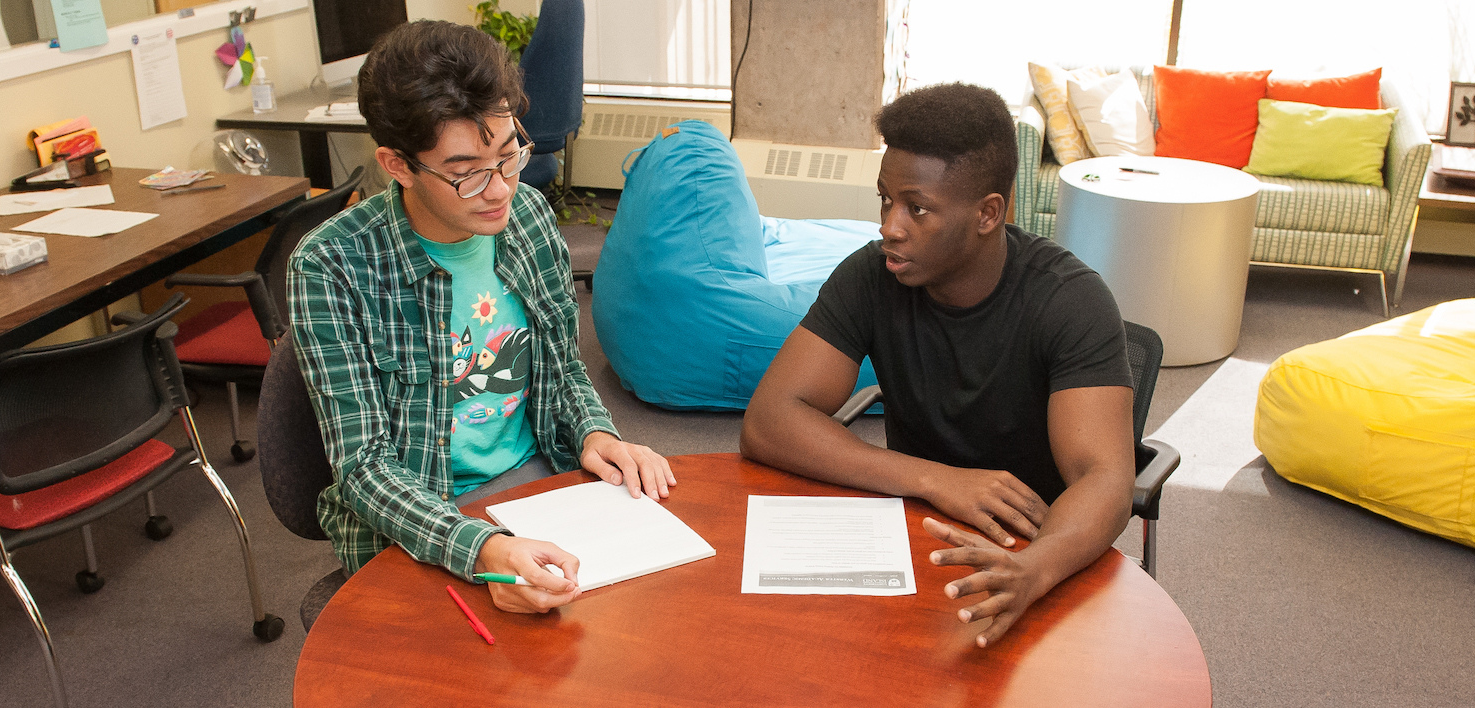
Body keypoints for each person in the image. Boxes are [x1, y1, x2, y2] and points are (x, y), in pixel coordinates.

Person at [287, 20, 674, 614]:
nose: (500, 189)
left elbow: (561, 370)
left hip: (539, 480)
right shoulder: (332, 265)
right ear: (397, 165)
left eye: (509, 153)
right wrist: (484, 549)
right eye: (466, 171)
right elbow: (363, 468)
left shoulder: (529, 219)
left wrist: (595, 432)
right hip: (418, 513)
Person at [740, 82, 1135, 648]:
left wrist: (1035, 568)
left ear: (987, 213)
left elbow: (1105, 479)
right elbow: (768, 420)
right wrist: (934, 479)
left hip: (1038, 555)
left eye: (917, 208)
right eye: (885, 200)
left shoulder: (1070, 300)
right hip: (912, 532)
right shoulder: (872, 275)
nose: (889, 226)